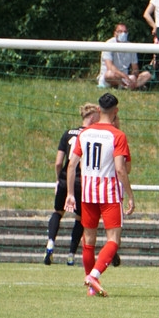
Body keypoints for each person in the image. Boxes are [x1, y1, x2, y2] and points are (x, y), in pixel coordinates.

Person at [65, 93, 135, 297]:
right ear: (116, 111)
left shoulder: (85, 133)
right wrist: (130, 194)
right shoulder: (117, 135)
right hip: (109, 193)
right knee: (113, 239)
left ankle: (91, 288)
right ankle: (94, 276)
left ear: (98, 110)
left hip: (88, 193)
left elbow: (72, 165)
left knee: (88, 240)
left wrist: (70, 193)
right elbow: (121, 169)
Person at [45, 103, 99, 266]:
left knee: (58, 212)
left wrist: (58, 179)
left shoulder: (67, 133)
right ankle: (71, 255)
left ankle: (50, 243)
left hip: (64, 179)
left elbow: (58, 162)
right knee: (80, 218)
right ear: (92, 117)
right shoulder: (92, 135)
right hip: (81, 181)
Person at [97, 23, 151, 89]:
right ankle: (128, 86)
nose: (123, 34)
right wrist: (124, 76)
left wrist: (134, 76)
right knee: (109, 74)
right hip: (111, 77)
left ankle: (128, 85)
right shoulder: (108, 44)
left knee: (147, 75)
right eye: (120, 31)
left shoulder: (131, 46)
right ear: (115, 33)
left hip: (125, 78)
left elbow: (135, 67)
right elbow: (110, 67)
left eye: (125, 32)